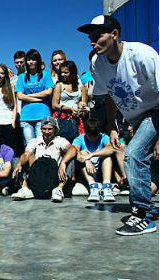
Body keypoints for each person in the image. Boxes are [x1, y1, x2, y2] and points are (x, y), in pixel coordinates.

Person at [78, 15, 159, 236]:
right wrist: (113, 126)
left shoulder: (142, 55)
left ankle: (143, 214)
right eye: (90, 38)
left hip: (156, 111)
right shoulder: (98, 63)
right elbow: (110, 95)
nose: (92, 41)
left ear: (114, 35)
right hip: (135, 118)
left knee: (133, 154)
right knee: (136, 156)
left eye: (98, 36)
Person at [11, 117, 75, 202]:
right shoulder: (35, 141)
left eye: (50, 129)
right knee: (17, 160)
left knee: (71, 160)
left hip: (54, 175)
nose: (47, 132)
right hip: (37, 175)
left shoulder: (60, 140)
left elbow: (72, 149)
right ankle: (25, 189)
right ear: (41, 129)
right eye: (44, 129)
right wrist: (19, 164)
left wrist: (63, 162)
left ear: (55, 129)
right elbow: (27, 154)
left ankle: (59, 189)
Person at [72, 118, 123, 202]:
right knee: (83, 152)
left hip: (101, 170)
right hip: (86, 172)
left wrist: (91, 155)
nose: (93, 138)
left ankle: (107, 187)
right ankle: (93, 188)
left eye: (95, 135)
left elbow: (111, 149)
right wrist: (87, 160)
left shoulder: (104, 137)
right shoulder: (79, 139)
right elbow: (76, 153)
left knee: (107, 156)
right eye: (90, 135)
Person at [16, 49, 55, 145]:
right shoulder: (22, 77)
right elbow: (20, 96)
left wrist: (28, 96)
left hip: (42, 115)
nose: (31, 62)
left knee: (41, 144)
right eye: (29, 60)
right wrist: (39, 99)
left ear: (38, 61)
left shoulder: (45, 74)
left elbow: (48, 92)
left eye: (33, 59)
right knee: (29, 145)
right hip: (26, 116)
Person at [51, 60, 89, 142]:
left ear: (72, 73)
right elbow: (54, 105)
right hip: (61, 117)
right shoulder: (59, 86)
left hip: (77, 119)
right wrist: (70, 109)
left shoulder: (81, 87)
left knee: (77, 143)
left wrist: (81, 108)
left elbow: (84, 104)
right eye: (61, 72)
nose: (63, 75)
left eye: (66, 72)